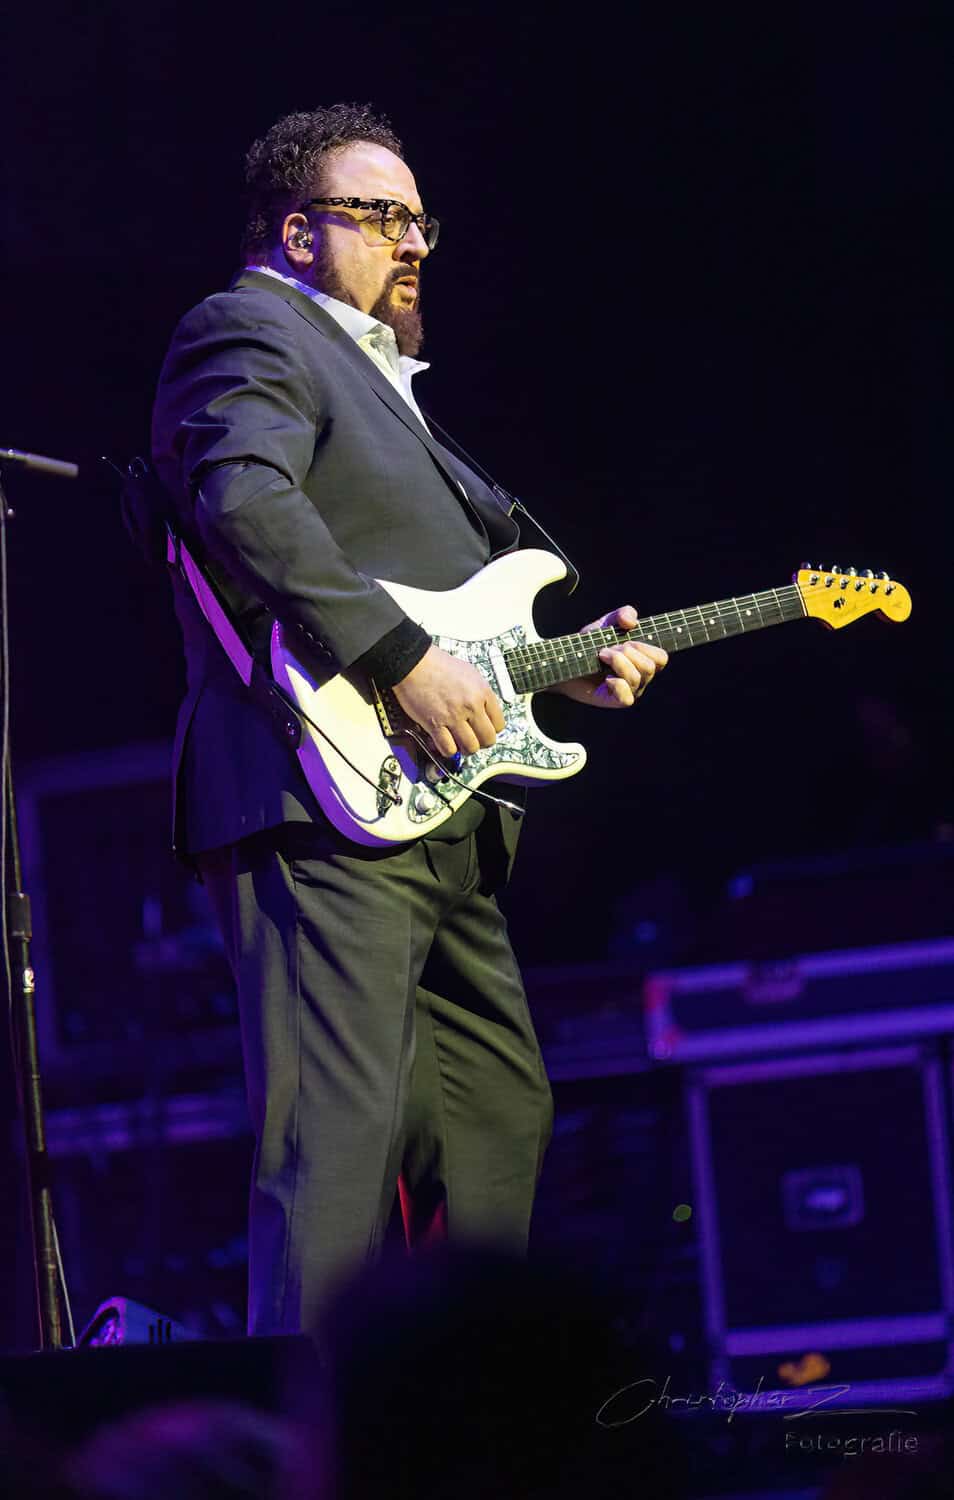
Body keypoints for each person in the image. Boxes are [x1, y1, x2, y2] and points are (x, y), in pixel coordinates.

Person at [151, 102, 668, 1335]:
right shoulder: (250, 325)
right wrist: (405, 663)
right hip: (318, 788)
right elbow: (244, 503)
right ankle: (304, 1423)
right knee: (336, 1148)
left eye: (422, 219)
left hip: (440, 803)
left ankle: (456, 1405)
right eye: (382, 215)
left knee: (495, 1117)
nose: (415, 241)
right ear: (297, 232)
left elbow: (448, 608)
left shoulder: (390, 388)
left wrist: (547, 671)